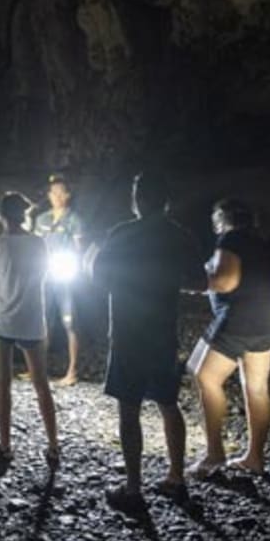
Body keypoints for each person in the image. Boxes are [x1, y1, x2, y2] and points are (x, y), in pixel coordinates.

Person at [90, 172, 201, 509]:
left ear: (136, 199)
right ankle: (176, 479)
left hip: (127, 332)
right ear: (166, 200)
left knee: (129, 408)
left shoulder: (121, 234)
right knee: (169, 403)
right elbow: (198, 280)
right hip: (163, 331)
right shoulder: (178, 236)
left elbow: (98, 278)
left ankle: (133, 489)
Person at [188, 198, 270, 477]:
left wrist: (193, 285)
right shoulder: (268, 243)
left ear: (221, 220)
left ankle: (214, 455)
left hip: (239, 318)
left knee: (205, 377)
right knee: (257, 387)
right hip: (268, 318)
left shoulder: (230, 240)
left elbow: (226, 281)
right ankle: (255, 458)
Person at [0, 192, 59, 469]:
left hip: (1, 320)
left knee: (4, 383)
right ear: (23, 214)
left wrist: (4, 286)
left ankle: (5, 446)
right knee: (42, 384)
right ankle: (53, 446)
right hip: (32, 320)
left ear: (1, 216)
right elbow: (45, 279)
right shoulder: (39, 244)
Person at [33, 173, 89, 385]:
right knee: (42, 322)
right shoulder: (42, 219)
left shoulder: (75, 220)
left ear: (68, 195)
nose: (56, 196)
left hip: (65, 275)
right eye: (53, 192)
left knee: (70, 321)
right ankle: (38, 368)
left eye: (60, 192)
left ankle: (72, 371)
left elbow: (79, 249)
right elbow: (35, 246)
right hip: (44, 275)